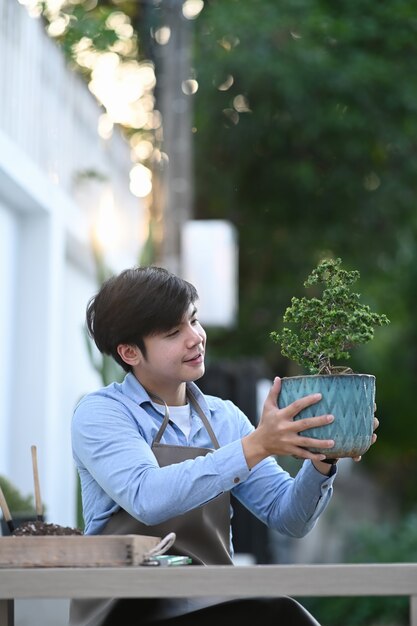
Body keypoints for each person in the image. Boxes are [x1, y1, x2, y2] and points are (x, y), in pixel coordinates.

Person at [69, 265, 378, 626]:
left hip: (210, 603)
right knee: (280, 614)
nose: (195, 337)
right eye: (173, 332)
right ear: (130, 352)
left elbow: (288, 516)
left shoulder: (224, 418)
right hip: (126, 610)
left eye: (194, 320)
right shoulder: (102, 413)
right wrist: (255, 446)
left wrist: (323, 458)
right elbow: (147, 497)